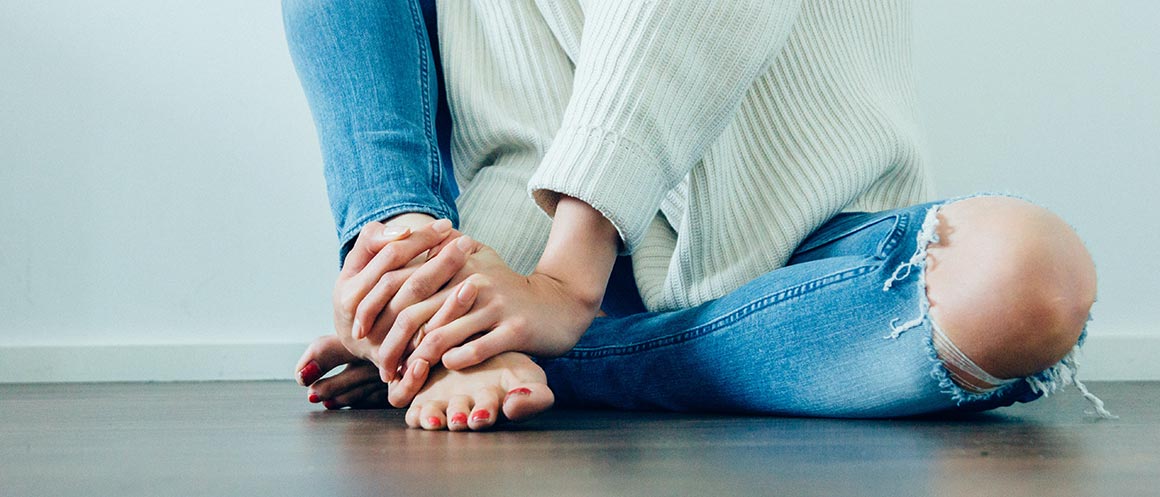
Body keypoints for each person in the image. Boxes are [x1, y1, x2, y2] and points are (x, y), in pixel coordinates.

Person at [282, 0, 1112, 431]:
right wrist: (419, 266)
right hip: (505, 251)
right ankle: (410, 287)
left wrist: (567, 281)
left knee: (1030, 277)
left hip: (801, 246)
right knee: (411, 259)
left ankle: (511, 349)